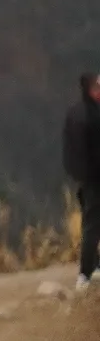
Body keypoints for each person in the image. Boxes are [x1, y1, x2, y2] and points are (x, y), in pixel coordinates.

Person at [64, 73, 100, 289]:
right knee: (92, 225)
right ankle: (85, 274)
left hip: (83, 178)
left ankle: (94, 264)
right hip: (95, 178)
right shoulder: (92, 116)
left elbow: (69, 149)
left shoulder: (74, 113)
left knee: (91, 222)